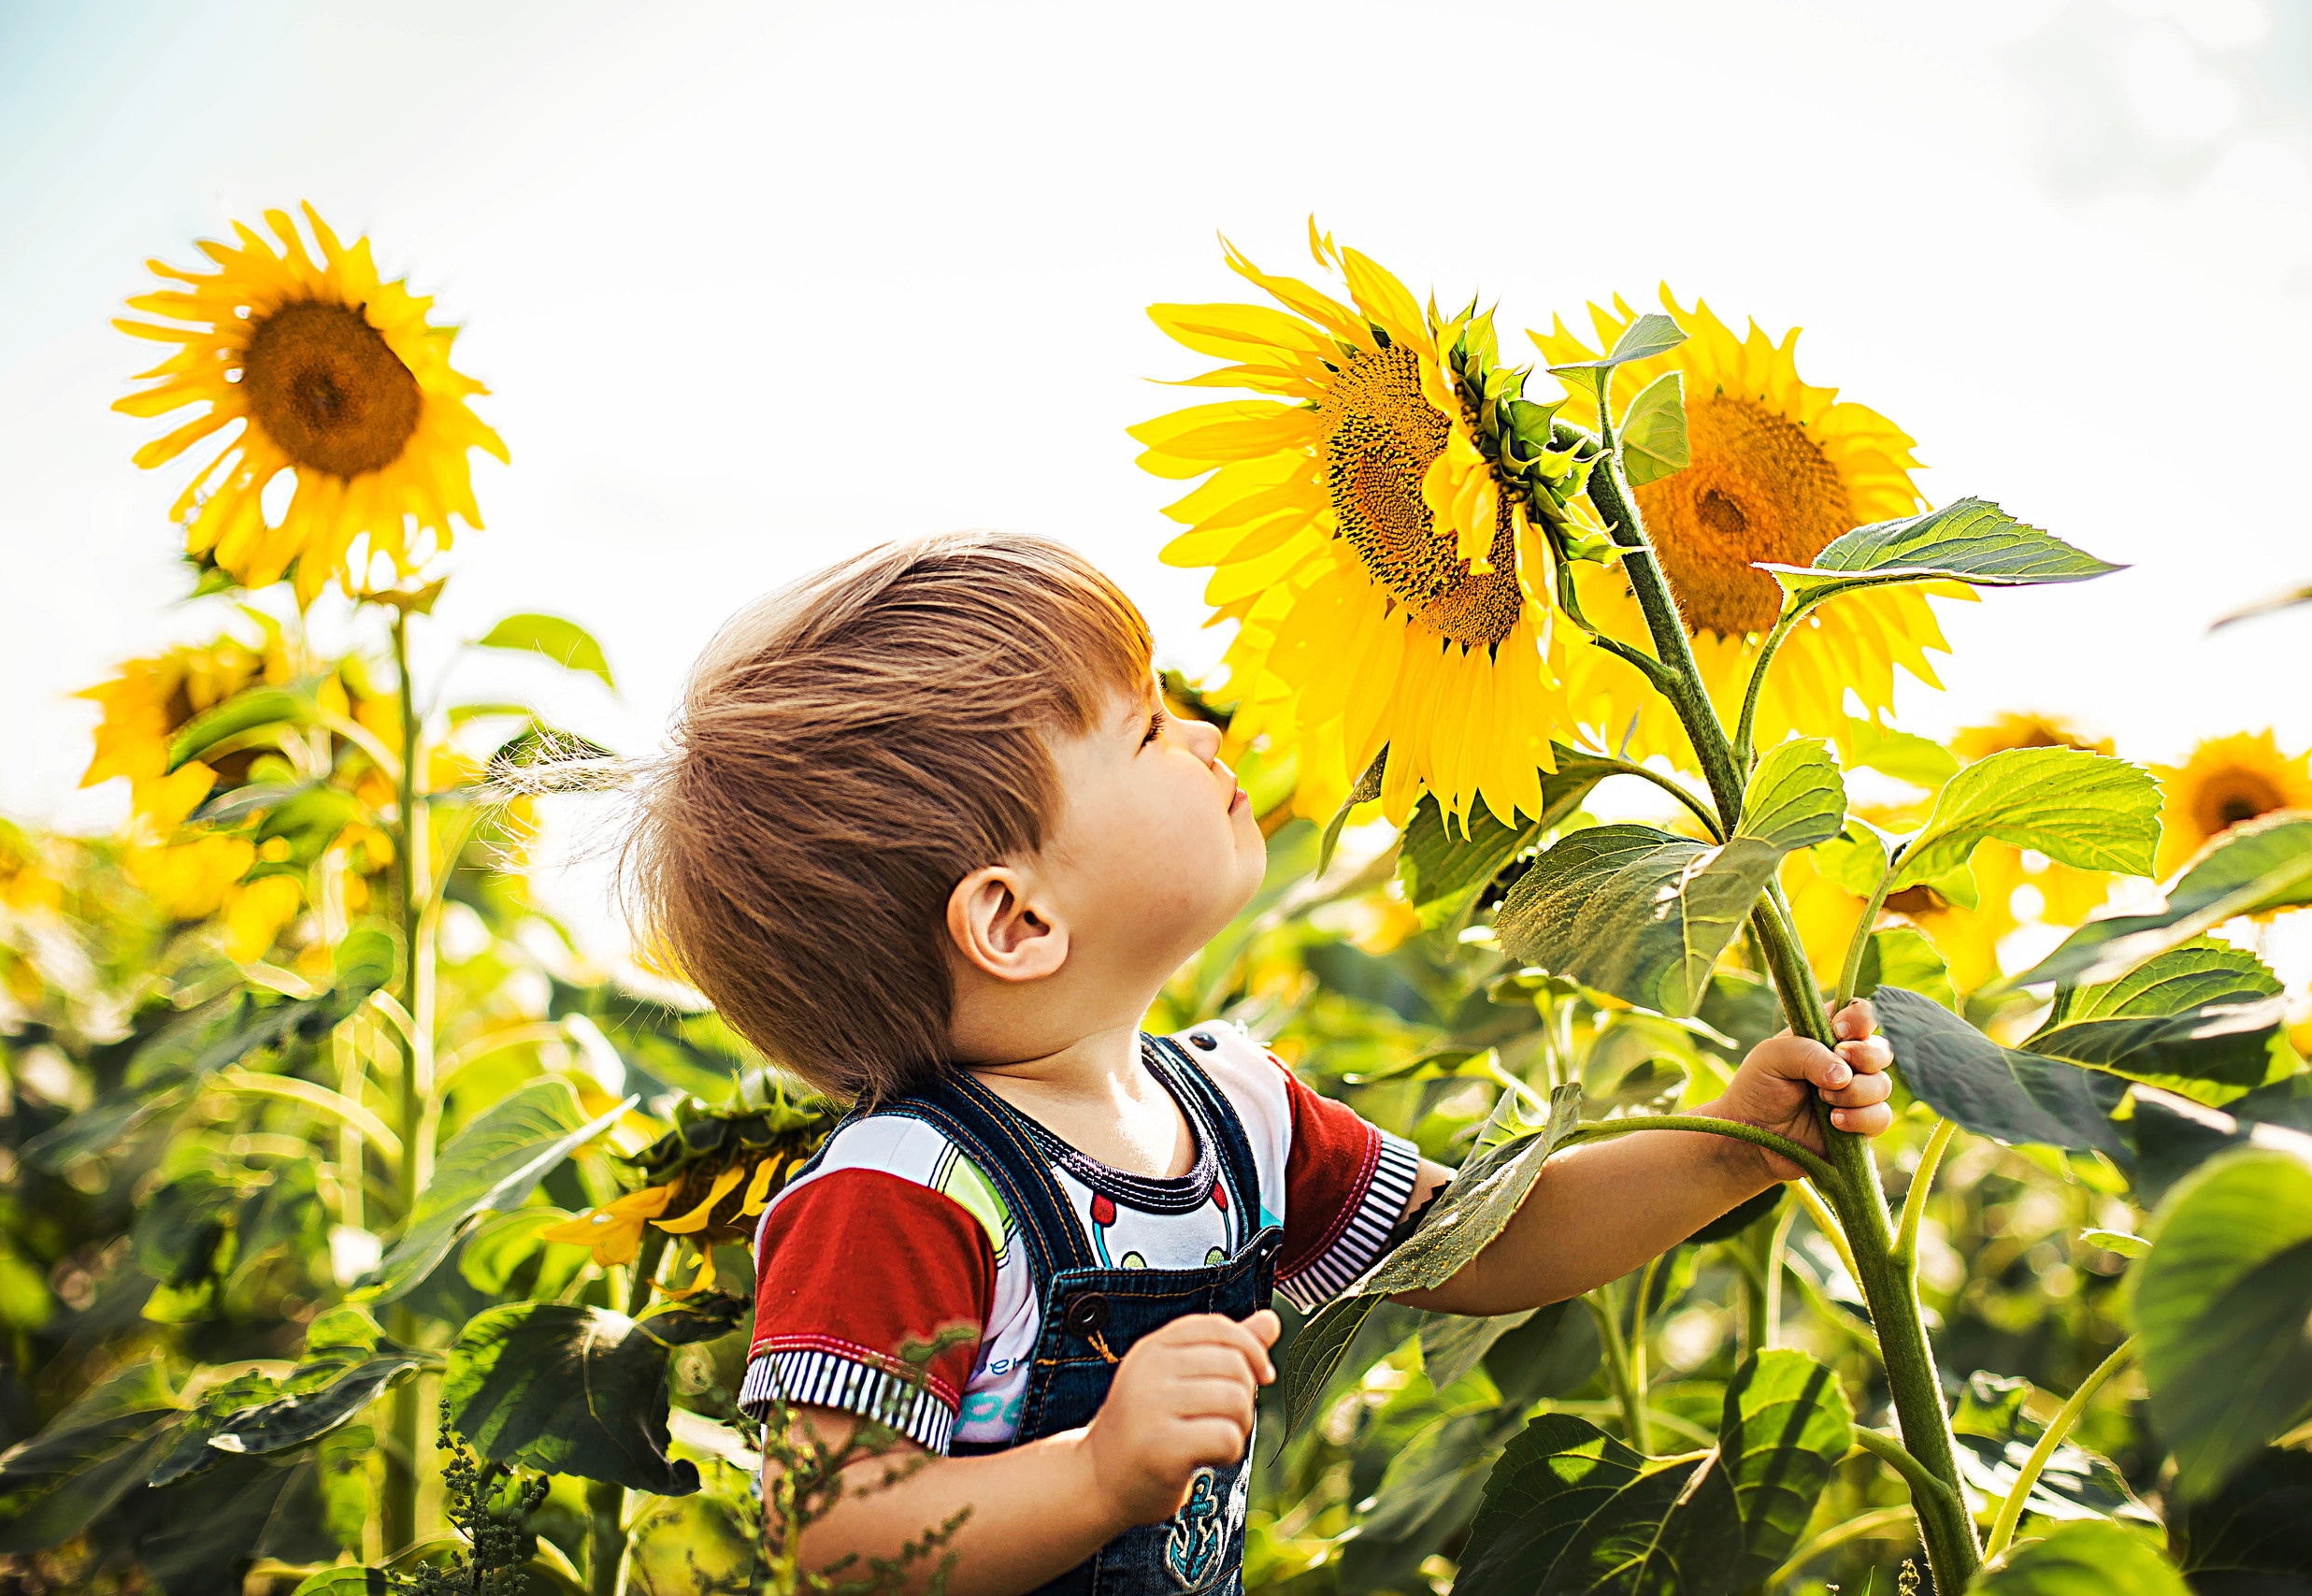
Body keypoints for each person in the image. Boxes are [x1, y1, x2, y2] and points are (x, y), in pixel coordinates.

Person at [625, 530, 1895, 1596]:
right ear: (1018, 923)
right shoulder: (905, 1193)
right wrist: (1090, 1474)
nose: (1211, 736)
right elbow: (834, 1530)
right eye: (1149, 732)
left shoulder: (1236, 1111)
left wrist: (1736, 1148)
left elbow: (1485, 1244)